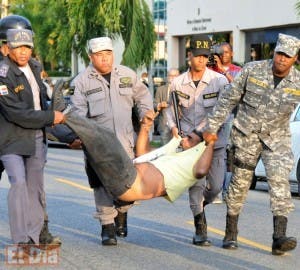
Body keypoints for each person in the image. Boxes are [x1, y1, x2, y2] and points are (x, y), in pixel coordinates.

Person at [202, 33, 300, 255]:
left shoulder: (298, 82)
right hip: (246, 135)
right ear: (274, 52)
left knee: (280, 183)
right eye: (280, 54)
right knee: (239, 184)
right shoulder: (252, 70)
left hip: (277, 140)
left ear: (295, 59)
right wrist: (212, 127)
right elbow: (228, 99)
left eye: (288, 56)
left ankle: (279, 237)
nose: (282, 59)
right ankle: (231, 232)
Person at [71, 37, 153, 246]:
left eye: (108, 54)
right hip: (98, 146)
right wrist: (81, 136)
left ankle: (122, 211)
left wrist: (146, 113)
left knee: (130, 187)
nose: (105, 59)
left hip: (126, 142)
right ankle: (107, 227)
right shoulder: (82, 82)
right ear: (91, 57)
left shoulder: (127, 75)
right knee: (101, 185)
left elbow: (143, 97)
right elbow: (78, 114)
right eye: (99, 55)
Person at [0, 14, 62, 247]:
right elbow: (15, 113)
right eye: (18, 47)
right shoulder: (2, 74)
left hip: (36, 137)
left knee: (35, 188)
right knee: (18, 184)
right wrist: (50, 117)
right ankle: (20, 242)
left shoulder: (35, 67)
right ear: (6, 48)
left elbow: (44, 102)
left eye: (28, 46)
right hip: (11, 138)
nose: (24, 51)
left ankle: (35, 237)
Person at [166, 34, 229, 247]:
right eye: (198, 56)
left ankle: (203, 204)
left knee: (215, 188)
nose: (201, 60)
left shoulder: (218, 81)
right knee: (196, 184)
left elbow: (224, 112)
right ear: (189, 56)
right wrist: (173, 128)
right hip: (189, 146)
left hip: (214, 142)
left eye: (205, 56)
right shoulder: (177, 83)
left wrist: (199, 133)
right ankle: (200, 226)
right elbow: (170, 112)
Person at [154, 68, 180, 145]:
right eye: (170, 75)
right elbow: (154, 104)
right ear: (167, 76)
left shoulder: (183, 89)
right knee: (164, 149)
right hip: (164, 123)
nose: (172, 77)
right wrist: (160, 105)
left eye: (175, 75)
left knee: (178, 149)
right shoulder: (160, 89)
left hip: (178, 124)